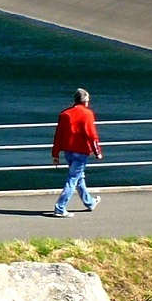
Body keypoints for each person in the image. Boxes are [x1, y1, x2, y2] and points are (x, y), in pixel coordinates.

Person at [50, 88, 103, 217]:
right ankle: (60, 207)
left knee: (79, 178)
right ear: (85, 101)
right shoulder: (87, 114)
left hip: (68, 151)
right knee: (73, 179)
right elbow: (92, 134)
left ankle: (89, 202)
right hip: (81, 151)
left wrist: (55, 153)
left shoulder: (65, 114)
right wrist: (97, 152)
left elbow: (58, 135)